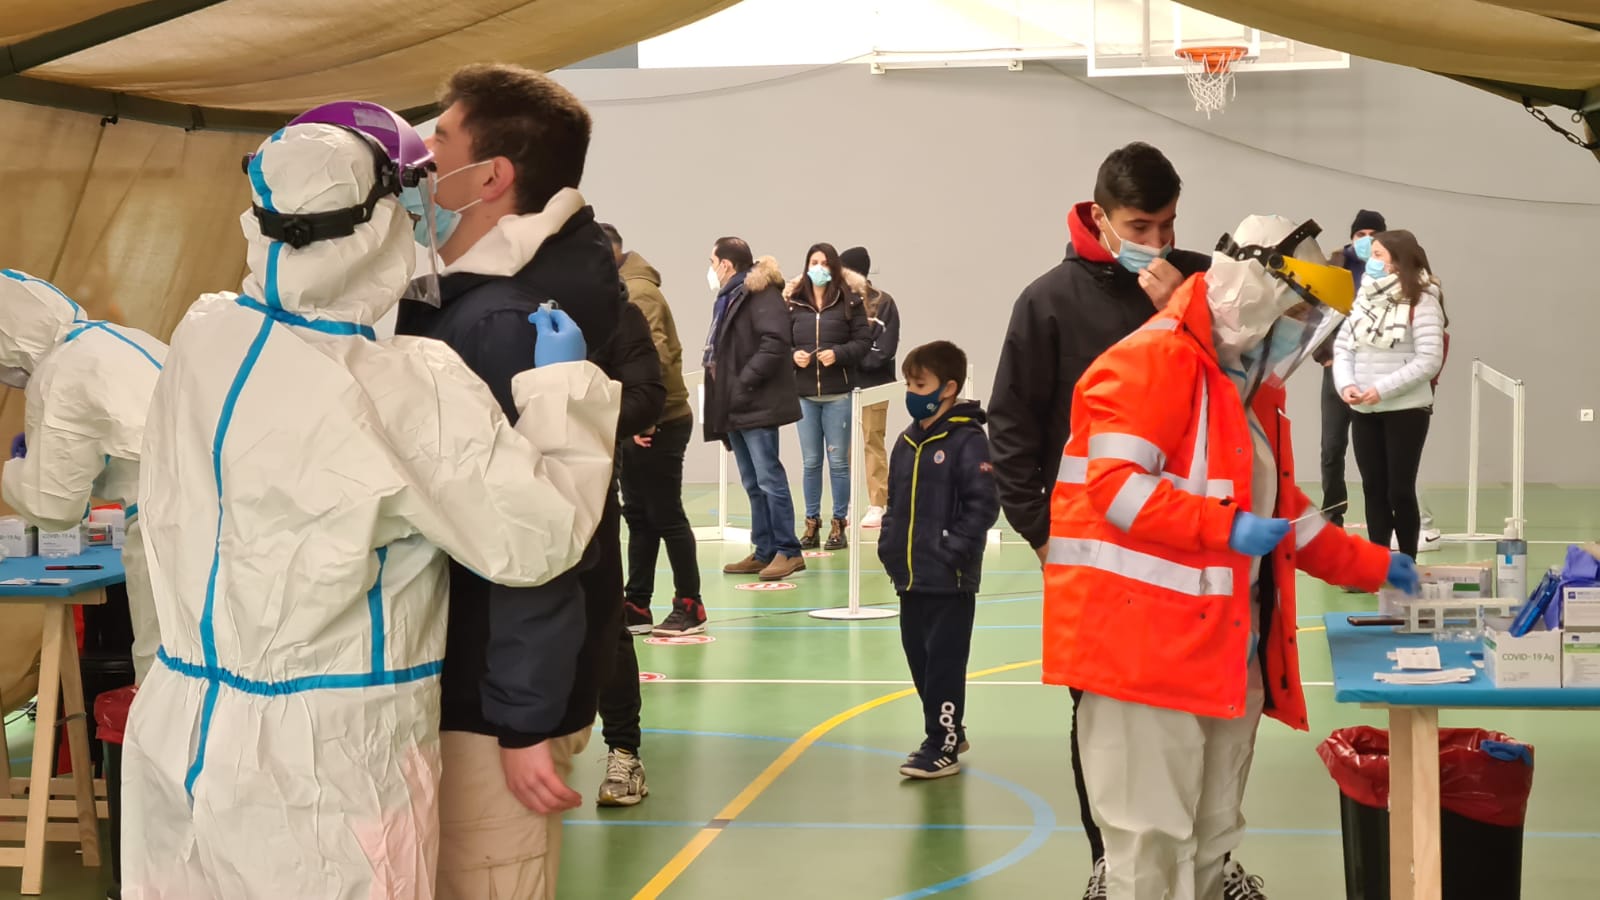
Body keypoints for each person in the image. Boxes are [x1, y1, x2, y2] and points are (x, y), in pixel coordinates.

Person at [120, 115, 620, 900]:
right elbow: (540, 538)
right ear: (385, 219)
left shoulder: (205, 333)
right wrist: (564, 398)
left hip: (180, 733)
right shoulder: (403, 385)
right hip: (328, 763)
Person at [1047, 213, 1420, 900]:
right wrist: (1225, 528)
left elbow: (1284, 516)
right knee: (1149, 847)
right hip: (1142, 656)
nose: (1301, 330)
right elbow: (1116, 492)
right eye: (1297, 310)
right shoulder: (1151, 361)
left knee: (1212, 834)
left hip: (1223, 648)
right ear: (1255, 291)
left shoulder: (1248, 391)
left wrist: (1375, 566)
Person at [393, 65, 665, 898]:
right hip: (459, 677)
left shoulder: (510, 316)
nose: (421, 158)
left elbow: (540, 528)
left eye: (439, 139)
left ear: (492, 175)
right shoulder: (473, 296)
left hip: (489, 694)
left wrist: (521, 716)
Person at [987, 141, 1227, 898]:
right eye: (1140, 225)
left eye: (1167, 225)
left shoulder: (1199, 282)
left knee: (1197, 712)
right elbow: (1012, 425)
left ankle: (1203, 866)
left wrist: (1186, 311)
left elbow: (1238, 381)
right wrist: (1042, 533)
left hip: (1188, 548)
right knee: (1101, 713)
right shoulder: (1048, 301)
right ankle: (1110, 860)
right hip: (1096, 559)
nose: (1155, 242)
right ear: (1100, 216)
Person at [0, 271, 165, 685]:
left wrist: (17, 467)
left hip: (172, 532)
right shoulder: (119, 340)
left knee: (167, 675)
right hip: (235, 514)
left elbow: (52, 507)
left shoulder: (59, 372)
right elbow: (133, 440)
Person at [877, 340, 998, 779]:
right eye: (908, 383)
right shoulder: (908, 441)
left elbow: (982, 505)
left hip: (949, 578)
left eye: (920, 383)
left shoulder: (967, 441)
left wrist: (953, 549)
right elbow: (893, 502)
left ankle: (941, 743)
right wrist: (890, 545)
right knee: (919, 658)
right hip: (910, 576)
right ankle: (950, 729)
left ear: (948, 388)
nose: (912, 391)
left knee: (945, 662)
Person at [599, 222, 704, 638]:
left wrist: (648, 416)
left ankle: (690, 604)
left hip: (662, 420)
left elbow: (653, 357)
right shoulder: (621, 291)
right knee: (640, 517)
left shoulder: (638, 293)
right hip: (641, 419)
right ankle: (637, 603)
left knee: (666, 515)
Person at [1333, 229, 1447, 560]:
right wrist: (1347, 386)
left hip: (1406, 410)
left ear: (1398, 262)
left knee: (1399, 490)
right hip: (1364, 411)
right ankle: (1376, 563)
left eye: (1379, 255)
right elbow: (1343, 348)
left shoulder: (1423, 301)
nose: (1372, 261)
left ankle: (1406, 563)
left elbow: (1428, 360)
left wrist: (1380, 389)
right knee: (1373, 490)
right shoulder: (1364, 298)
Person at [704, 238, 806, 581]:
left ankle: (788, 551)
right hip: (734, 404)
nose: (711, 269)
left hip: (754, 402)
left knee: (769, 478)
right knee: (752, 481)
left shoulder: (761, 294)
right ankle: (763, 549)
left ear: (727, 265)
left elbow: (775, 341)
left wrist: (744, 381)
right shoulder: (732, 297)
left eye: (712, 261)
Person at [784, 242, 871, 551]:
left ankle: (838, 524)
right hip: (804, 395)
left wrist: (839, 353)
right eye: (813, 261)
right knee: (810, 463)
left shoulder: (850, 302)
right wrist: (794, 356)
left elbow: (863, 341)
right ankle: (810, 525)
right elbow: (780, 342)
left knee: (838, 462)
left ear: (833, 268)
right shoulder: (793, 303)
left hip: (838, 394)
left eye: (824, 262)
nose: (818, 267)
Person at [1312, 209, 1387, 528]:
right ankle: (1332, 516)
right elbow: (1311, 310)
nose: (1366, 240)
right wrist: (1323, 355)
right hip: (1336, 368)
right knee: (1332, 447)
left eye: (1373, 234)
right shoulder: (1335, 265)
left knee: (1375, 452)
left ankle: (1382, 518)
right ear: (1352, 237)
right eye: (1360, 234)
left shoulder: (1392, 268)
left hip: (1374, 370)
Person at [840, 246, 901, 531]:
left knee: (871, 442)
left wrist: (852, 357)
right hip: (841, 386)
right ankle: (847, 502)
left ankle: (878, 504)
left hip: (874, 385)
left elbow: (884, 349)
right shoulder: (839, 302)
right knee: (843, 447)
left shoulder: (883, 303)